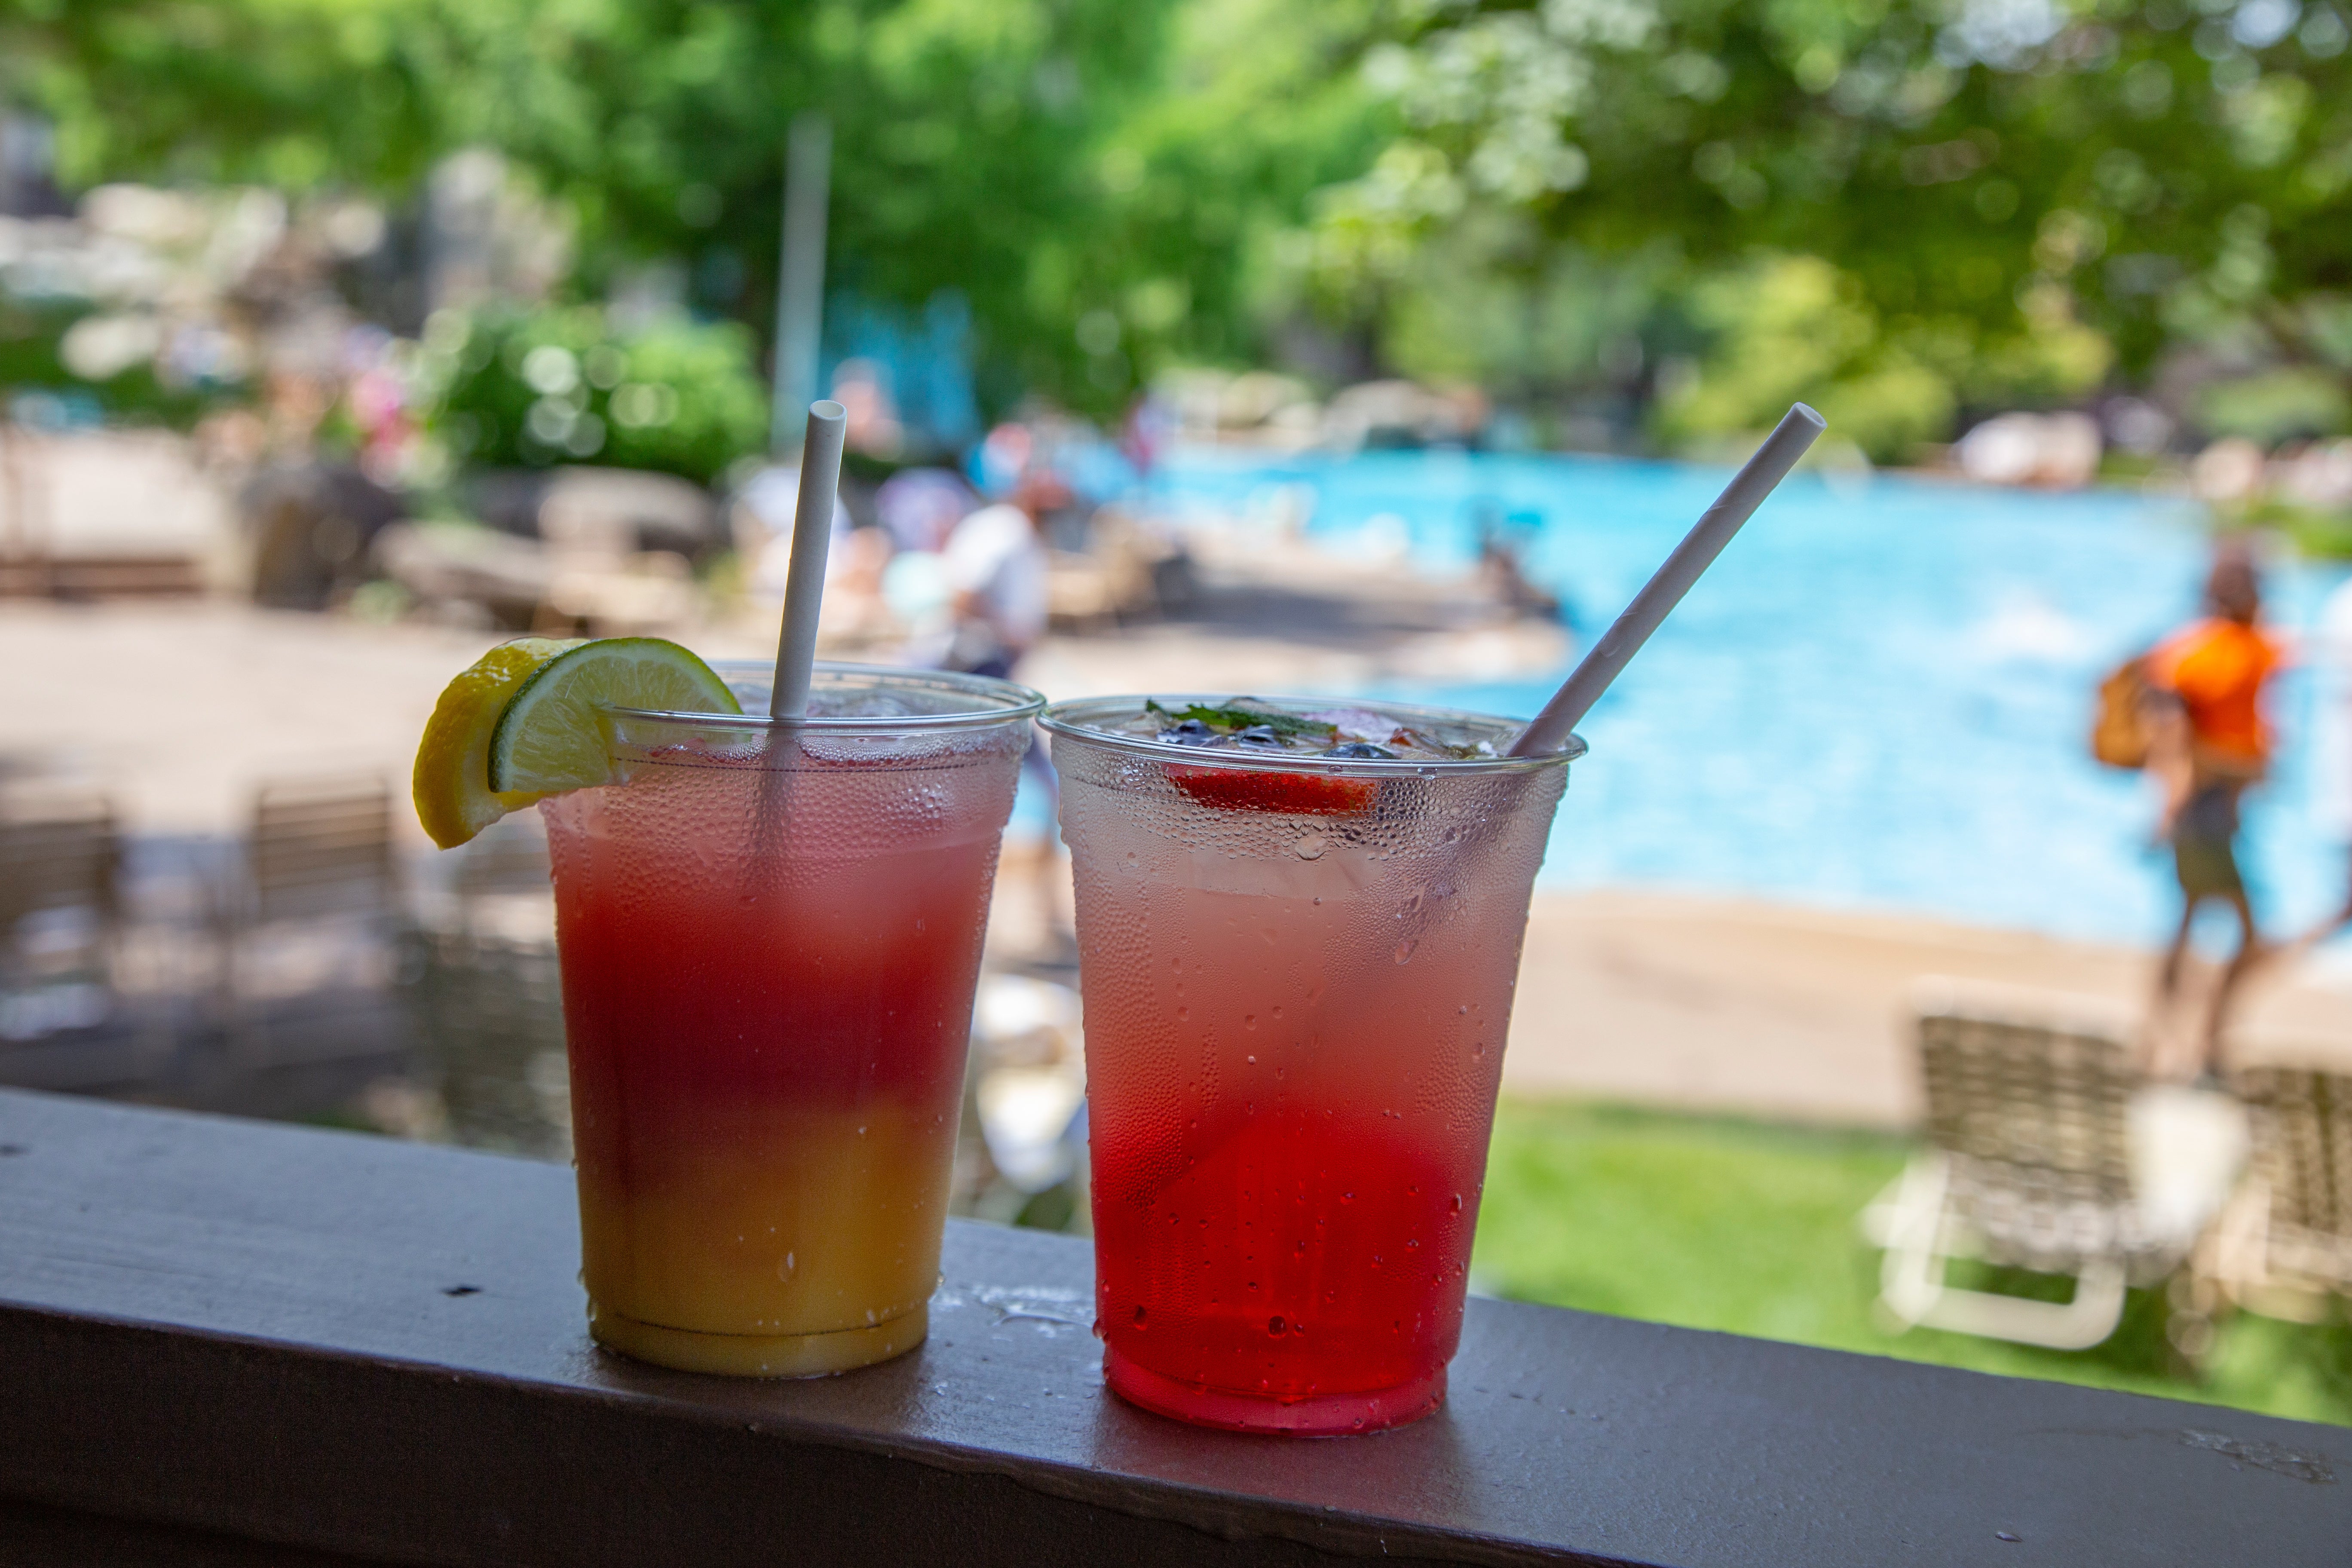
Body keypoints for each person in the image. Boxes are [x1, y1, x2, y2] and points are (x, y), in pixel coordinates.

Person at [2145, 542, 2286, 1078]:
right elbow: (2185, 751)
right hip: (2205, 815)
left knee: (2187, 924)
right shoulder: (2229, 654)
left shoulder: (2188, 650)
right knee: (2245, 932)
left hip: (2205, 816)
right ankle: (2204, 1045)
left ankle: (2166, 1043)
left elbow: (2172, 743)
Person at [941, 471, 1057, 681]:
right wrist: (1006, 633)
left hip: (997, 657)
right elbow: (963, 595)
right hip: (979, 658)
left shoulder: (1021, 529)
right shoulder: (1002, 529)